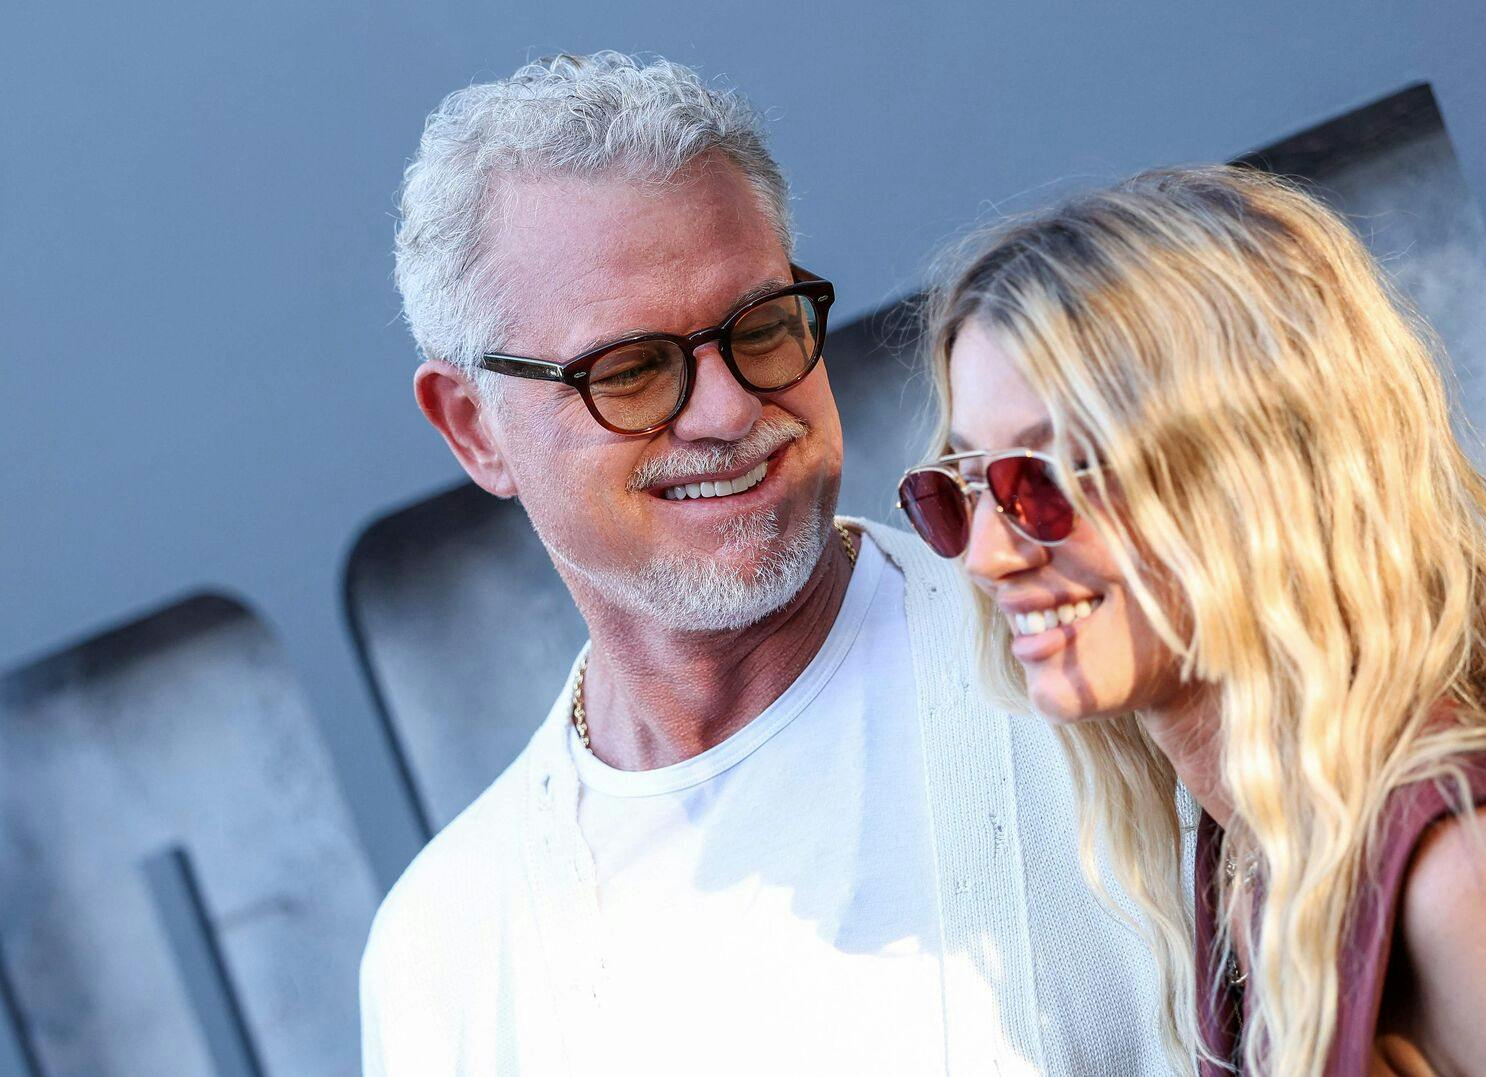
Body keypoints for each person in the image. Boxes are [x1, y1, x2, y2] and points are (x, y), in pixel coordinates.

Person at [359, 52, 1176, 1075]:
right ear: (474, 427)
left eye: (762, 327)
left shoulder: (1089, 686)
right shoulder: (443, 953)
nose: (730, 410)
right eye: (633, 370)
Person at [900, 165, 1486, 1076]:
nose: (986, 553)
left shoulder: (1477, 882)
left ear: (1249, 480)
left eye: (1046, 480)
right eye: (966, 485)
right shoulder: (1252, 865)